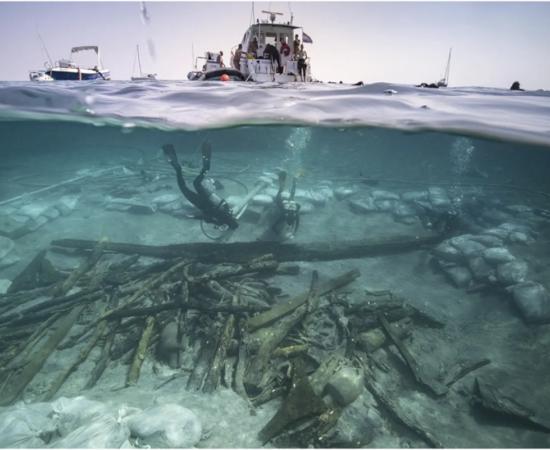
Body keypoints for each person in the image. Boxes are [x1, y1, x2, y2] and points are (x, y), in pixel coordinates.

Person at [162, 142, 238, 230]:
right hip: (201, 203)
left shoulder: (228, 212)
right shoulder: (219, 220)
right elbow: (205, 217)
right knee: (183, 187)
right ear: (227, 224)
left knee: (196, 183)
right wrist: (191, 216)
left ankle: (206, 164)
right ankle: (173, 160)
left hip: (207, 197)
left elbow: (221, 204)